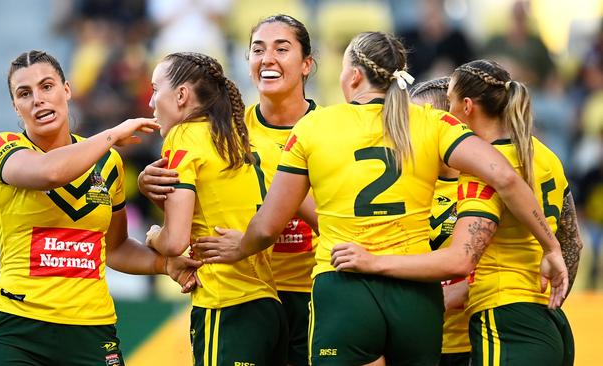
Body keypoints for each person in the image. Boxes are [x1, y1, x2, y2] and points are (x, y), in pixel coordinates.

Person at [193, 33, 569, 366]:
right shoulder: (432, 123)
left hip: (346, 287)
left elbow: (268, 226)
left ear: (354, 75)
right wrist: (550, 247)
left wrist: (239, 248)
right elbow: (504, 174)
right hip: (416, 298)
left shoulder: (316, 126)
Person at [331, 60, 582, 365]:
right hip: (543, 323)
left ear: (463, 109)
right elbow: (570, 239)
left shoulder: (482, 173)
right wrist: (550, 297)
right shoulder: (542, 156)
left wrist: (375, 266)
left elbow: (461, 261)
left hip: (500, 324)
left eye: (426, 118)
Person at [0, 50, 201, 366]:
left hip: (91, 330)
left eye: (47, 86)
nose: (38, 99)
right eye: (24, 94)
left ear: (66, 90)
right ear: (16, 106)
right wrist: (111, 135)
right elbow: (48, 173)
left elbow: (117, 247)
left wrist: (165, 265)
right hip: (17, 330)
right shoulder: (2, 149)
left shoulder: (108, 164)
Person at [140, 14, 319, 366]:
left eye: (281, 48)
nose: (267, 58)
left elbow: (330, 215)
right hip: (266, 292)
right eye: (257, 49)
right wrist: (150, 184)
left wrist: (252, 238)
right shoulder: (235, 129)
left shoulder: (330, 128)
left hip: (310, 296)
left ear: (307, 64)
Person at [410, 77, 471, 366]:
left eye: (417, 122)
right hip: (410, 343)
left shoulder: (481, 187)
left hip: (465, 346)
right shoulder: (402, 184)